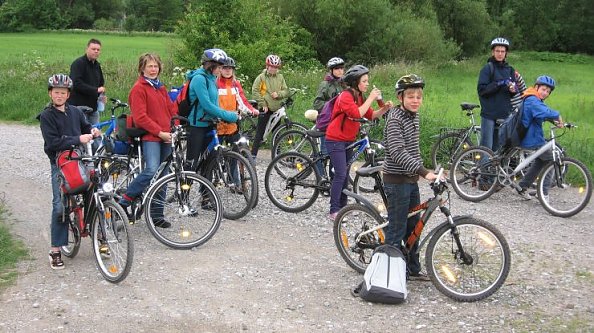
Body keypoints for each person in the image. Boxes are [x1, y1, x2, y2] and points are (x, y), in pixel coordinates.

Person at [38, 74, 101, 269]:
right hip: (61, 163)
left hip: (80, 159)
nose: (59, 95)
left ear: (68, 95)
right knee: (60, 205)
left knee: (95, 188)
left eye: (63, 92)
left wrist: (93, 131)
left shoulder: (74, 111)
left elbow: (86, 127)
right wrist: (77, 139)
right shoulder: (46, 116)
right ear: (50, 93)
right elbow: (53, 142)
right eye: (56, 92)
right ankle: (56, 249)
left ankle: (100, 233)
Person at [382, 74, 437, 280]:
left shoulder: (414, 117)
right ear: (400, 98)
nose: (415, 100)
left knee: (414, 227)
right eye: (411, 96)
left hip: (410, 180)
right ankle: (390, 275)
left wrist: (428, 170)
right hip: (396, 182)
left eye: (419, 96)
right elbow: (398, 152)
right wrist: (424, 172)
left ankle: (412, 269)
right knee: (397, 229)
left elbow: (413, 150)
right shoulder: (395, 119)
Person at [325, 65, 392, 220]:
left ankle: (343, 206)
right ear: (356, 82)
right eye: (365, 81)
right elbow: (356, 113)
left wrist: (384, 108)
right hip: (335, 139)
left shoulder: (359, 97)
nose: (368, 84)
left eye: (368, 81)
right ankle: (334, 210)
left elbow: (370, 115)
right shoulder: (346, 96)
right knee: (341, 174)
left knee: (345, 173)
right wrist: (371, 98)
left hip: (347, 139)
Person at [117, 53, 177, 228]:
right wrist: (159, 132)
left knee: (163, 175)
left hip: (166, 136)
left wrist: (176, 126)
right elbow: (140, 117)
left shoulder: (160, 87)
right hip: (151, 136)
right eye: (149, 66)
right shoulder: (139, 88)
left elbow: (171, 109)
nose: (153, 69)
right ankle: (125, 201)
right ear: (142, 68)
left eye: (155, 66)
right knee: (151, 170)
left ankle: (157, 215)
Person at [185, 48, 239, 169]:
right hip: (197, 126)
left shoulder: (212, 79)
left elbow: (216, 103)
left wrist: (221, 116)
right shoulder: (199, 79)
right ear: (210, 65)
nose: (221, 70)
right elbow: (207, 105)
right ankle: (185, 187)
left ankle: (206, 188)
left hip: (209, 124)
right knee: (192, 163)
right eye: (219, 67)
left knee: (209, 163)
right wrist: (228, 115)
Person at [216, 56, 259, 192]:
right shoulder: (215, 83)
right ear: (220, 69)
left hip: (232, 125)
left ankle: (234, 183)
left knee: (235, 154)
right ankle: (209, 186)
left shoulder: (236, 84)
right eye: (225, 68)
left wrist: (252, 110)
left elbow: (242, 100)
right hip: (217, 125)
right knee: (213, 156)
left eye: (230, 68)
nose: (228, 71)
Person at [516, 75, 562, 200]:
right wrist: (557, 115)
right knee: (551, 159)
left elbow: (541, 113)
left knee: (541, 160)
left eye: (548, 91)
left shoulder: (535, 99)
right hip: (530, 138)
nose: (545, 93)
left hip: (533, 137)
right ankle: (543, 193)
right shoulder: (532, 99)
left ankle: (522, 186)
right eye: (543, 89)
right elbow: (544, 112)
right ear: (536, 87)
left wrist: (554, 122)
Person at [477, 37, 517, 152]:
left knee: (499, 148)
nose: (500, 54)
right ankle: (482, 169)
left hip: (504, 114)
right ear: (493, 52)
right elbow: (482, 90)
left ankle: (493, 170)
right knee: (486, 147)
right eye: (497, 51)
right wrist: (499, 83)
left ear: (506, 53)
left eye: (502, 51)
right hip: (489, 113)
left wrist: (513, 90)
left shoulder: (510, 70)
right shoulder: (487, 68)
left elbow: (513, 93)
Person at [250, 54, 289, 160]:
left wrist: (279, 94)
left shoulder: (280, 77)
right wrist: (263, 104)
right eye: (271, 66)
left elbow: (286, 90)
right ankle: (253, 155)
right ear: (267, 66)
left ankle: (278, 154)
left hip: (276, 108)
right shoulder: (261, 77)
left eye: (276, 67)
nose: (273, 69)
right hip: (265, 108)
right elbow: (255, 90)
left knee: (277, 132)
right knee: (260, 132)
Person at [312, 57, 346, 176]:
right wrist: (331, 107)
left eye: (342, 68)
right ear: (331, 70)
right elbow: (317, 103)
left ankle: (333, 179)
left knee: (336, 154)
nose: (340, 71)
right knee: (325, 154)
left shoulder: (344, 84)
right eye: (337, 68)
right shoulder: (325, 84)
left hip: (340, 124)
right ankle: (321, 177)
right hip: (327, 123)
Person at [68, 38, 106, 125]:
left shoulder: (97, 65)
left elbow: (100, 83)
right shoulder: (78, 63)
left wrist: (101, 95)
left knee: (95, 133)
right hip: (79, 106)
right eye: (93, 49)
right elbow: (76, 83)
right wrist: (95, 90)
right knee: (81, 135)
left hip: (93, 107)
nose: (96, 51)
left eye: (98, 50)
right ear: (87, 49)